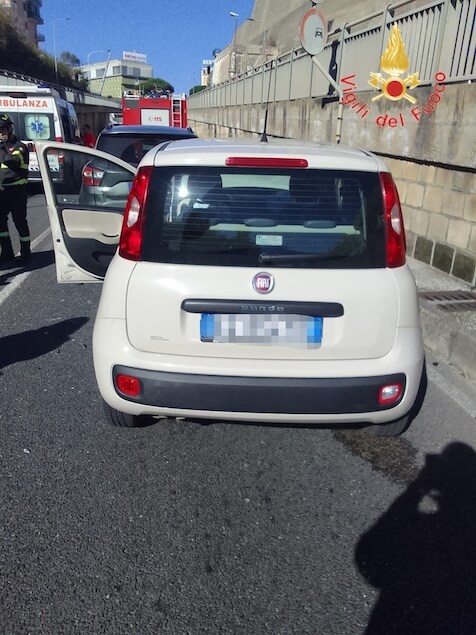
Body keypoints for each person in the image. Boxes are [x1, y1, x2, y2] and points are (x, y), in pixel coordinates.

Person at [0, 113, 30, 265]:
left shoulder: (19, 146)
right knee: (1, 224)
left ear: (10, 129)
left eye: (3, 130)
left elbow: (13, 161)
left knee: (19, 221)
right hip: (2, 192)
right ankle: (7, 252)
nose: (1, 134)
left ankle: (25, 252)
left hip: (17, 191)